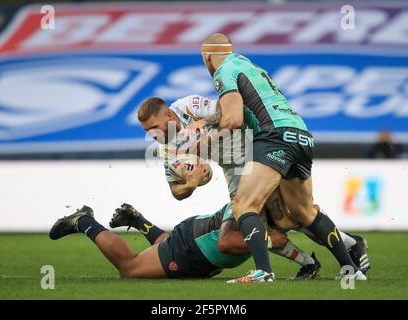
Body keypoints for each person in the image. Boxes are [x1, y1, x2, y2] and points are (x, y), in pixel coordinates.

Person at [185, 33, 366, 282]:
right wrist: (207, 121)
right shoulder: (248, 65)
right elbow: (243, 108)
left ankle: (263, 272)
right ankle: (351, 271)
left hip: (274, 137)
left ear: (207, 57)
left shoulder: (223, 72)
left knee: (244, 205)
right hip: (301, 135)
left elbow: (234, 119)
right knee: (304, 213)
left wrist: (205, 143)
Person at [137, 95, 370, 279]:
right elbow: (176, 192)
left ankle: (299, 264)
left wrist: (203, 121)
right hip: (233, 170)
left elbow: (229, 112)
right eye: (147, 131)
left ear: (168, 114)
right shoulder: (165, 149)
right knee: (278, 220)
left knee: (286, 217)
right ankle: (343, 246)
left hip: (253, 150)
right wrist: (192, 183)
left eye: (154, 127)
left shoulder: (188, 106)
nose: (152, 135)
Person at [48, 202, 319, 279]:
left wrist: (307, 262)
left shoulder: (256, 202)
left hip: (193, 242)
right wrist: (273, 242)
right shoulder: (251, 209)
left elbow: (275, 240)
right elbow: (227, 243)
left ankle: (138, 219)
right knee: (130, 269)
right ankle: (84, 221)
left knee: (164, 248)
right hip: (192, 248)